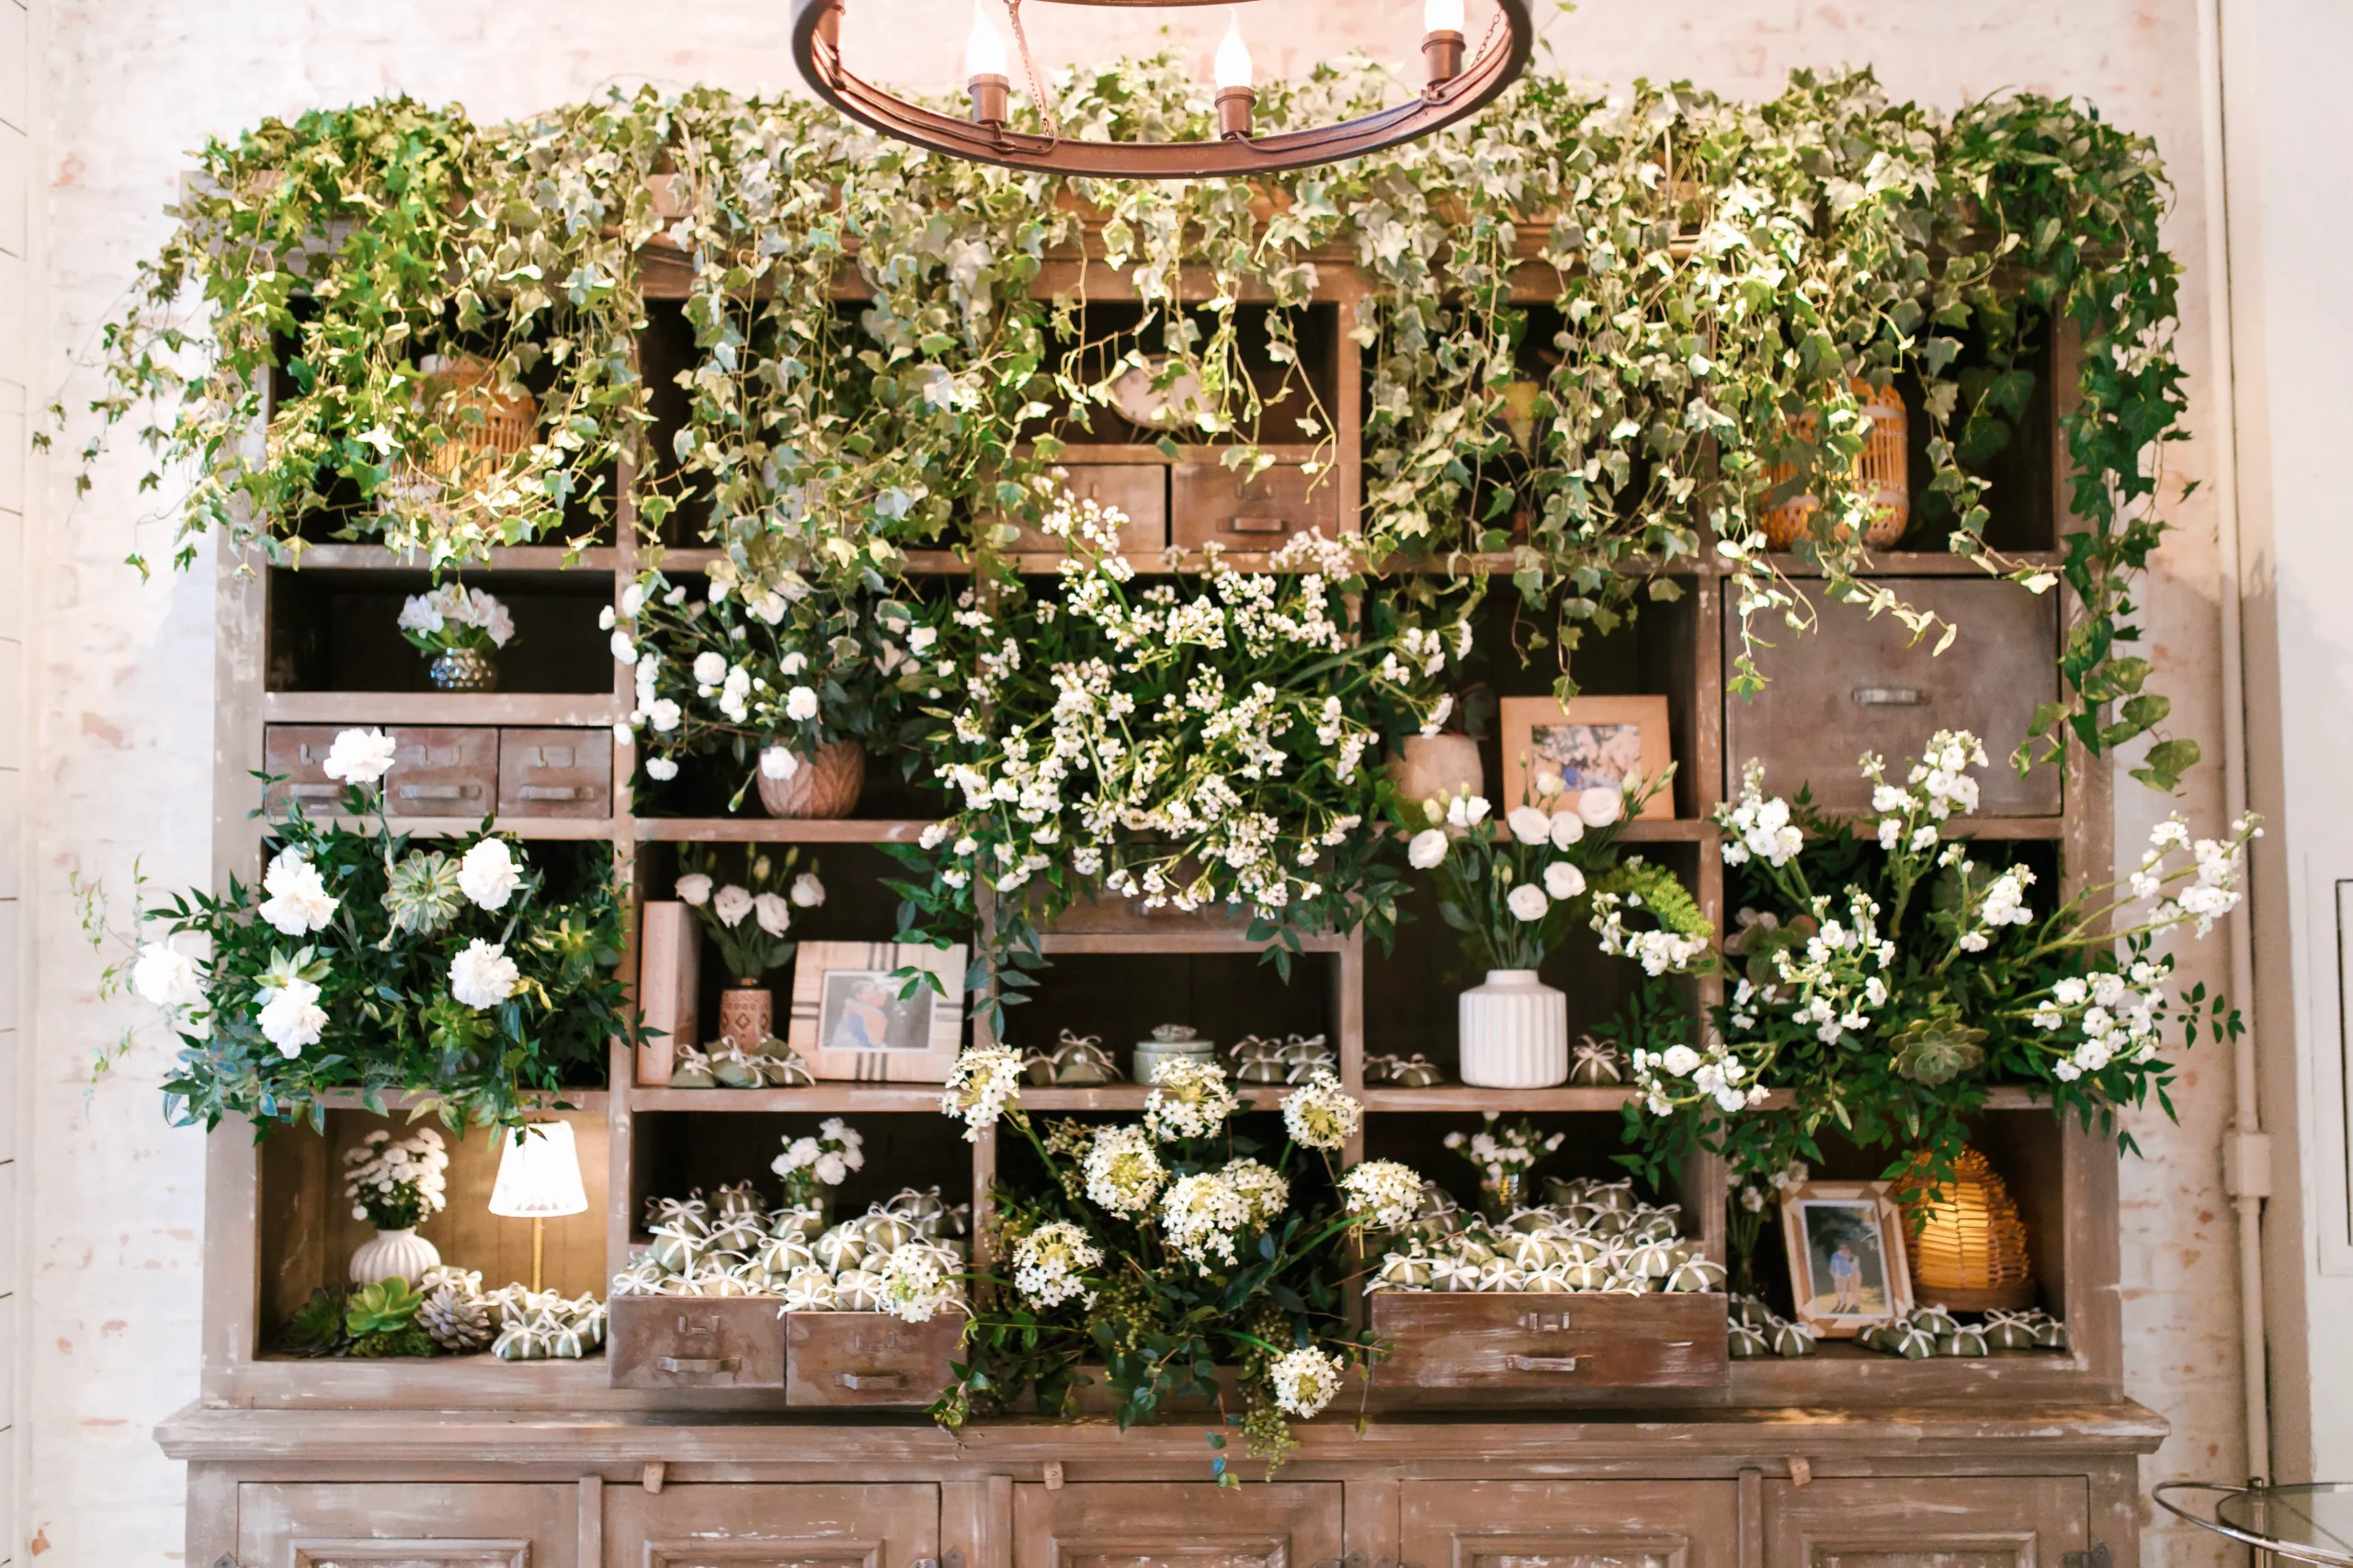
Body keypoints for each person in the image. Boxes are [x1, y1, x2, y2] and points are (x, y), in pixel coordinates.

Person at [828, 978, 892, 1053]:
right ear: (858, 995)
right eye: (867, 991)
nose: (871, 994)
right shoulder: (853, 1007)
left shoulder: (860, 1007)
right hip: (846, 1047)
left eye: (872, 991)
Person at [1827, 1239, 1862, 1313]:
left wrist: (1847, 1259)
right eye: (1842, 1248)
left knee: (1855, 1290)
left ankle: (1856, 1306)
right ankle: (1847, 1304)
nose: (1845, 1251)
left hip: (1855, 1274)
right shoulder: (1839, 1256)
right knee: (1847, 1290)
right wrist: (1833, 1273)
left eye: (1846, 1249)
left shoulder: (1855, 1257)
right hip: (1847, 1275)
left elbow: (1853, 1267)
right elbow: (1836, 1266)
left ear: (1849, 1250)